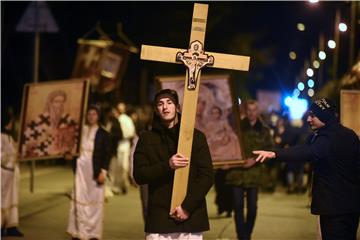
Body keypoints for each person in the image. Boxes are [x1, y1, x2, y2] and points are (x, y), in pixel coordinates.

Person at [253, 98, 360, 240]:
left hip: (334, 209)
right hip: (352, 207)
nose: (309, 119)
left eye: (313, 115)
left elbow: (307, 152)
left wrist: (275, 153)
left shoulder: (326, 138)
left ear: (324, 116)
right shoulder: (349, 134)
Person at [133, 89, 214, 240]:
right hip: (160, 218)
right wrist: (167, 165)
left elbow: (207, 176)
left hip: (191, 216)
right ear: (156, 110)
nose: (165, 107)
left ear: (177, 107)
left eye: (169, 103)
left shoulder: (196, 137)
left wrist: (187, 207)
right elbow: (139, 175)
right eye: (160, 104)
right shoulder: (146, 138)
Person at [225, 100, 274, 240]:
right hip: (237, 173)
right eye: (249, 110)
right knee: (238, 205)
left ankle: (247, 233)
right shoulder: (238, 127)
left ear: (258, 111)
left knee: (252, 208)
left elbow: (270, 150)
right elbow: (229, 145)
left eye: (254, 110)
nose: (252, 113)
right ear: (245, 111)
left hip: (254, 174)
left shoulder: (264, 130)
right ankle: (242, 237)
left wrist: (254, 160)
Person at [66, 105, 111, 240]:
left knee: (94, 202)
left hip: (95, 171)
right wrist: (69, 156)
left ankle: (92, 234)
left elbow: (107, 154)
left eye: (94, 114)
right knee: (79, 199)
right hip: (80, 171)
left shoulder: (103, 133)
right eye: (89, 114)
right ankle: (78, 232)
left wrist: (103, 171)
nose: (91, 117)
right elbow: (72, 150)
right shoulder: (80, 132)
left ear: (98, 116)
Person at [22, 90, 78, 158]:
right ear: (50, 103)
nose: (60, 105)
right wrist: (41, 139)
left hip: (61, 158)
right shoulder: (40, 120)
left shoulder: (68, 119)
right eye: (56, 101)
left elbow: (75, 141)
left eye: (62, 102)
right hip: (41, 157)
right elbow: (26, 142)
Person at [1, 111, 24, 237]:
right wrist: (10, 158)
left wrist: (17, 155)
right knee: (2, 200)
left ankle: (11, 225)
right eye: (10, 122)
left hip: (13, 173)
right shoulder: (1, 136)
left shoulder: (11, 137)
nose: (12, 124)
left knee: (13, 200)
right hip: (3, 173)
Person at [114, 102, 136, 194]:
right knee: (119, 166)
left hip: (125, 144)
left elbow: (131, 132)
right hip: (118, 145)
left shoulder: (126, 119)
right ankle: (119, 185)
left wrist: (124, 136)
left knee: (123, 166)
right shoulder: (117, 119)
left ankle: (123, 184)